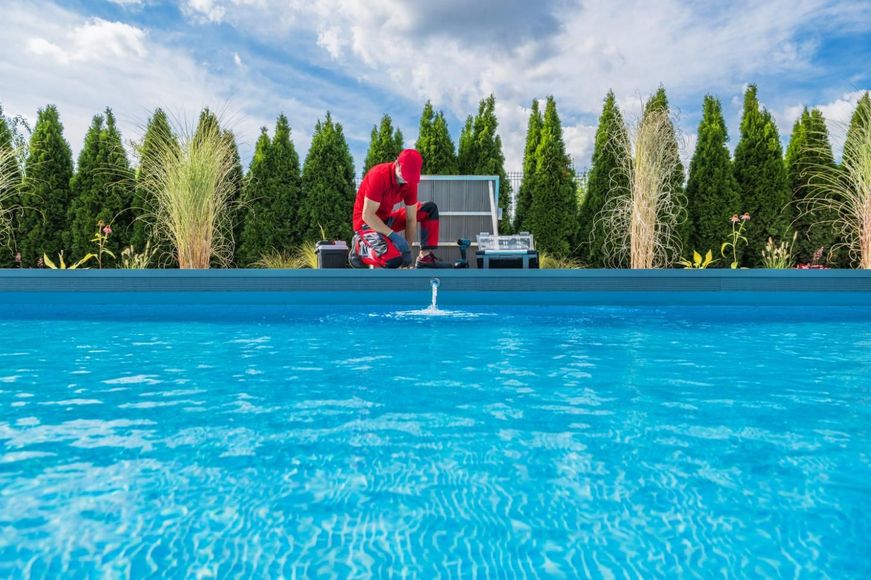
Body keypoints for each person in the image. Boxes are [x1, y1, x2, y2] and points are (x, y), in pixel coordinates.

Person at [350, 149, 446, 268]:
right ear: (398, 163)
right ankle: (360, 249)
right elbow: (368, 215)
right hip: (366, 224)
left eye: (410, 177)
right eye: (405, 175)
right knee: (393, 260)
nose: (407, 180)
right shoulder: (379, 175)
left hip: (386, 220)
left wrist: (407, 249)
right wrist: (393, 236)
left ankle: (425, 258)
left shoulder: (410, 182)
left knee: (428, 209)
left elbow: (411, 218)